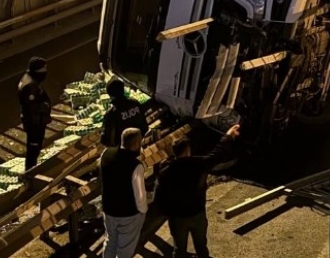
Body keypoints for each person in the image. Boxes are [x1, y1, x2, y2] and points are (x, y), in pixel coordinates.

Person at [153, 125, 241, 258]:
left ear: (174, 152)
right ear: (188, 150)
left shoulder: (165, 173)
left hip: (178, 218)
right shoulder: (198, 164)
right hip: (197, 214)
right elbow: (218, 153)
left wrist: (169, 213)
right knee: (201, 246)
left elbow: (158, 198)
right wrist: (228, 136)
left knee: (179, 249)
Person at [100, 128, 148, 258]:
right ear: (136, 144)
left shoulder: (106, 153)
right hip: (128, 214)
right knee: (124, 250)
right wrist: (143, 212)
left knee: (110, 241)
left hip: (109, 209)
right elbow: (140, 196)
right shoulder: (136, 166)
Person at [18, 56, 52, 171]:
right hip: (34, 123)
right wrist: (45, 107)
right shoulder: (30, 86)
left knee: (34, 146)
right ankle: (30, 171)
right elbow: (33, 107)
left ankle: (32, 169)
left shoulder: (30, 79)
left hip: (35, 121)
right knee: (33, 147)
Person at [101, 77, 152, 147]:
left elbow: (106, 140)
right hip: (142, 143)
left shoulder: (111, 114)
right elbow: (145, 125)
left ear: (110, 95)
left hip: (124, 151)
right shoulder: (135, 103)